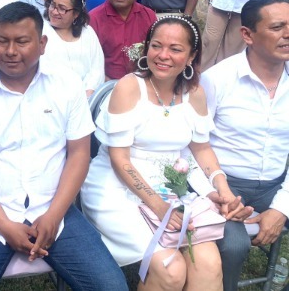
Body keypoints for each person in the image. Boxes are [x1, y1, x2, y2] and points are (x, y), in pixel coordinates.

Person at [0, 2, 128, 291]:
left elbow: (79, 153)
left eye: (21, 41)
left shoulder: (66, 84)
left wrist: (54, 216)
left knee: (112, 287)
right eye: (2, 41)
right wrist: (4, 226)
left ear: (42, 44)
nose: (10, 51)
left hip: (54, 208)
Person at [81, 15, 241, 291]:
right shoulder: (129, 87)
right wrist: (159, 206)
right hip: (117, 189)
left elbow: (201, 148)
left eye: (175, 49)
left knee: (209, 264)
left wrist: (222, 189)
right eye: (156, 46)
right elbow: (119, 159)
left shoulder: (195, 93)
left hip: (170, 187)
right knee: (171, 270)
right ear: (146, 48)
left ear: (191, 56)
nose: (163, 55)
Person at [201, 0, 289, 291]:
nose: (287, 34)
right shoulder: (217, 80)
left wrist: (281, 209)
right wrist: (221, 193)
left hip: (277, 184)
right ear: (247, 35)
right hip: (225, 185)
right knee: (234, 245)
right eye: (277, 27)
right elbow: (193, 144)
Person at [89, 0, 157, 80]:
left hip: (142, 82)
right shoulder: (93, 19)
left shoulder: (149, 16)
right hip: (105, 85)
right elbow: (87, 62)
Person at [42, 0, 104, 96]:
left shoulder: (88, 32)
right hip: (50, 97)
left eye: (62, 9)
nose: (54, 12)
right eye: (53, 5)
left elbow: (97, 69)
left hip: (86, 98)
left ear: (76, 13)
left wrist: (87, 93)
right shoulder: (41, 31)